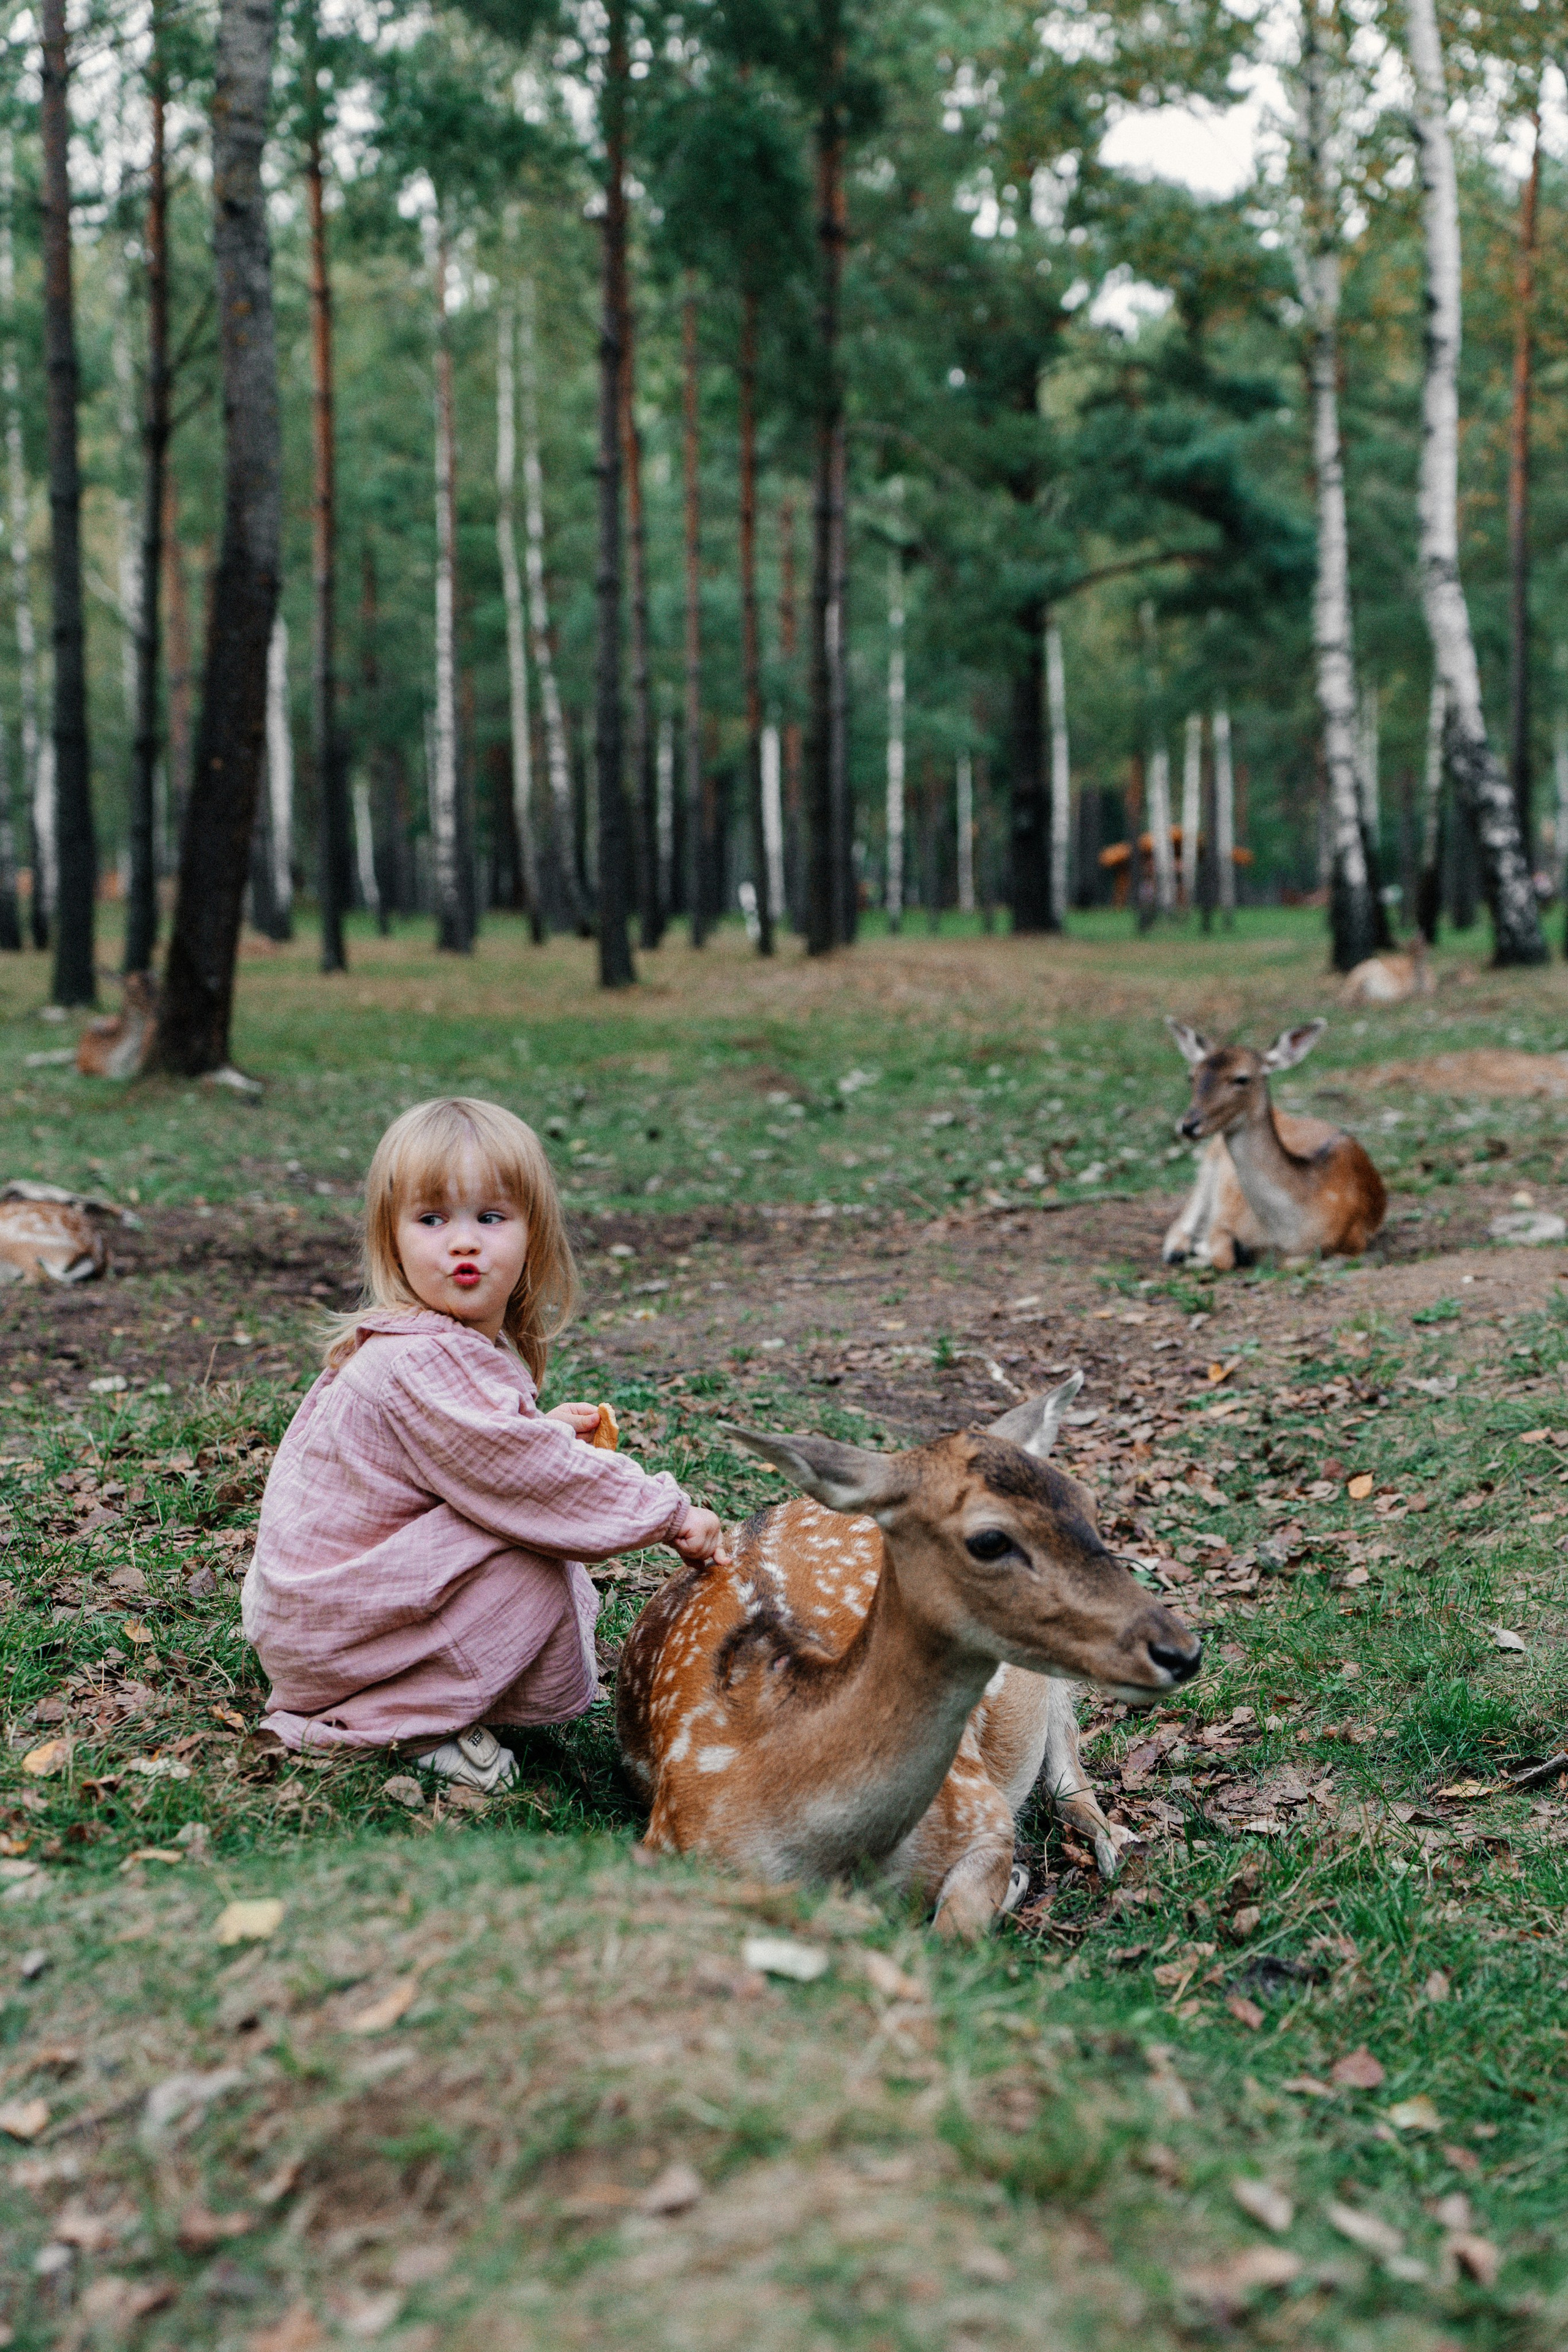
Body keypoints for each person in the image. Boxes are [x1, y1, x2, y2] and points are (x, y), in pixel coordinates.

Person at [241, 1096, 729, 1791]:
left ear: (534, 1232)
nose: (462, 1242)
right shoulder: (421, 1360)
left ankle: (416, 1691)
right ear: (393, 1239)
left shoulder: (442, 1345)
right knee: (532, 1559)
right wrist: (669, 1514)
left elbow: (481, 1454)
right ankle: (397, 1725)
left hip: (328, 1611)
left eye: (490, 1218)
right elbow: (528, 1479)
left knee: (523, 1530)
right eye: (432, 1219)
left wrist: (539, 1428)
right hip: (334, 1622)